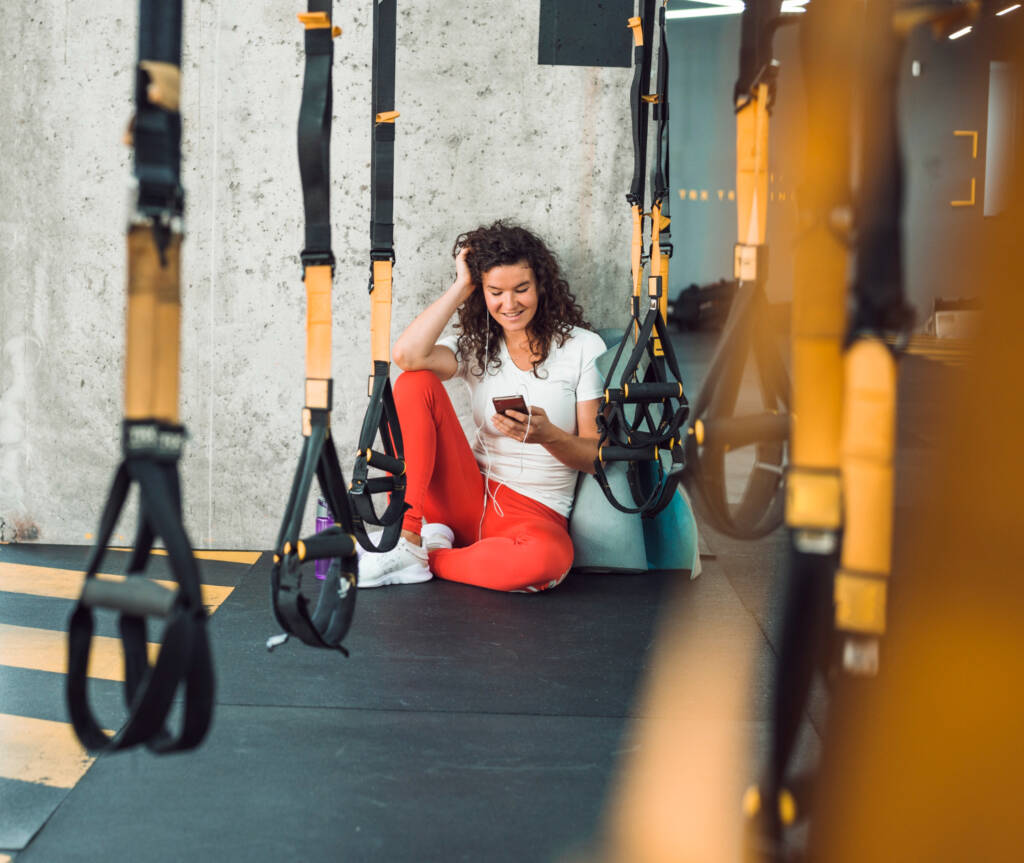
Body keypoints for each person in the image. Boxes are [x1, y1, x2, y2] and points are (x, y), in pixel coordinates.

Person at [357, 220, 607, 592]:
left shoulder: (583, 348)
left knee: (546, 563)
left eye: (521, 289)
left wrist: (549, 436)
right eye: (496, 292)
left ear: (541, 285)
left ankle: (431, 557)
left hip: (533, 514)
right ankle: (409, 536)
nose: (510, 304)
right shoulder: (477, 345)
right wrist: (462, 286)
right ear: (482, 293)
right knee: (414, 382)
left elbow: (595, 456)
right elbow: (407, 356)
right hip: (467, 495)